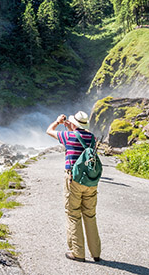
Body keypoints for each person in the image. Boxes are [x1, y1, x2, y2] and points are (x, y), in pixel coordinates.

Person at [46, 110, 102, 263]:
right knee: (90, 216)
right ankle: (96, 253)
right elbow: (82, 137)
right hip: (90, 181)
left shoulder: (68, 136)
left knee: (73, 214)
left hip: (74, 180)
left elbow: (49, 131)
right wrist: (73, 126)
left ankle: (78, 253)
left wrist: (59, 121)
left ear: (74, 123)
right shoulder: (92, 138)